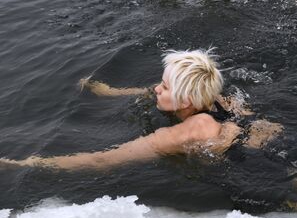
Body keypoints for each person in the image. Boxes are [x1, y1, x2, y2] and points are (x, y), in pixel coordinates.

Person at [0, 49, 282, 170]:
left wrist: (29, 164)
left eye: (165, 87)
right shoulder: (219, 99)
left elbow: (104, 161)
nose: (157, 90)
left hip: (267, 170)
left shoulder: (184, 132)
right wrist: (109, 92)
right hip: (278, 141)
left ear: (185, 102)